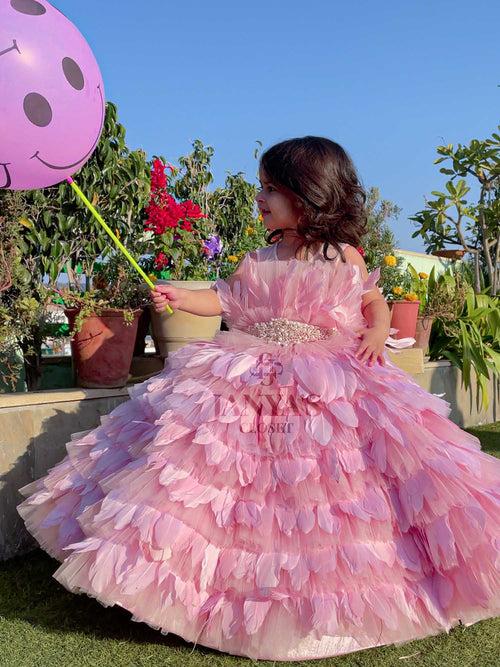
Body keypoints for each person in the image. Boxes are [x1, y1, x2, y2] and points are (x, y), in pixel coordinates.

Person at [17, 137, 499, 662]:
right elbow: (221, 298)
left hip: (329, 377)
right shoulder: (258, 258)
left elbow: (374, 303)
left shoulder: (344, 257)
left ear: (310, 194)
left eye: (272, 188)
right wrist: (181, 297)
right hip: (250, 373)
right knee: (244, 478)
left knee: (325, 482)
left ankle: (334, 595)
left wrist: (377, 332)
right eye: (261, 187)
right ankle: (229, 590)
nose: (261, 198)